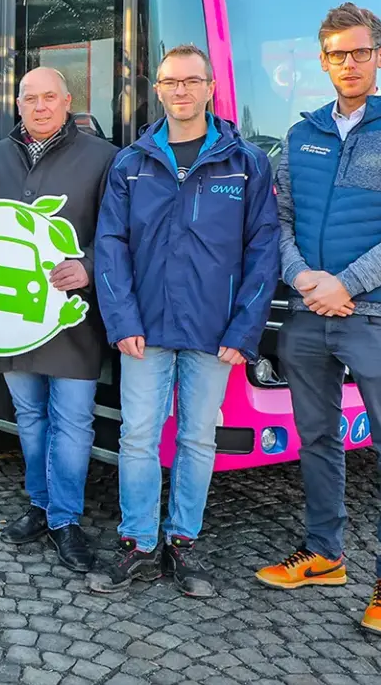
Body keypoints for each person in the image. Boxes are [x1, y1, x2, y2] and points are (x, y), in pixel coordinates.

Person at [256, 3, 381, 638]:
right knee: (316, 437)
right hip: (310, 313)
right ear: (322, 60)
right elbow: (278, 221)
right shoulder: (301, 133)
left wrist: (347, 284)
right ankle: (324, 554)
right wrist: (305, 280)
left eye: (359, 52)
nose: (348, 63)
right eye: (337, 53)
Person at [91, 44, 279, 598]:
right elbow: (110, 247)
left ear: (210, 88)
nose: (181, 91)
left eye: (191, 81)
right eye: (171, 82)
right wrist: (122, 319)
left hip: (214, 332)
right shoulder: (131, 162)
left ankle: (185, 541)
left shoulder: (244, 163)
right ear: (159, 90)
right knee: (139, 437)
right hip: (143, 330)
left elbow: (263, 252)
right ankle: (138, 542)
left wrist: (244, 330)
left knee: (198, 439)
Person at [0, 67, 117, 573]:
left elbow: (118, 235)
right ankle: (40, 505)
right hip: (12, 315)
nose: (40, 107)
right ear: (17, 104)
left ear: (68, 101)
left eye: (50, 98)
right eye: (30, 98)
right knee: (31, 418)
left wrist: (90, 267)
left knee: (73, 420)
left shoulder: (103, 158)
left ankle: (66, 519)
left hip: (72, 316)